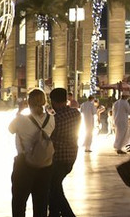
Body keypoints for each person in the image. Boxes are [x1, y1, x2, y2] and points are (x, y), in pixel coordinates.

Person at [10, 89, 56, 217]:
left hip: (24, 164)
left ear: (28, 102)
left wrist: (20, 111)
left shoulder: (21, 120)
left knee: (19, 202)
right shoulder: (51, 119)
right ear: (44, 101)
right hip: (45, 165)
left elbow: (10, 129)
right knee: (41, 202)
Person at [49, 88, 80, 217]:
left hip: (58, 158)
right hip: (71, 156)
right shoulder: (76, 113)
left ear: (54, 101)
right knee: (55, 187)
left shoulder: (54, 119)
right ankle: (54, 213)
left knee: (53, 187)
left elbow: (48, 136)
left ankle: (67, 214)